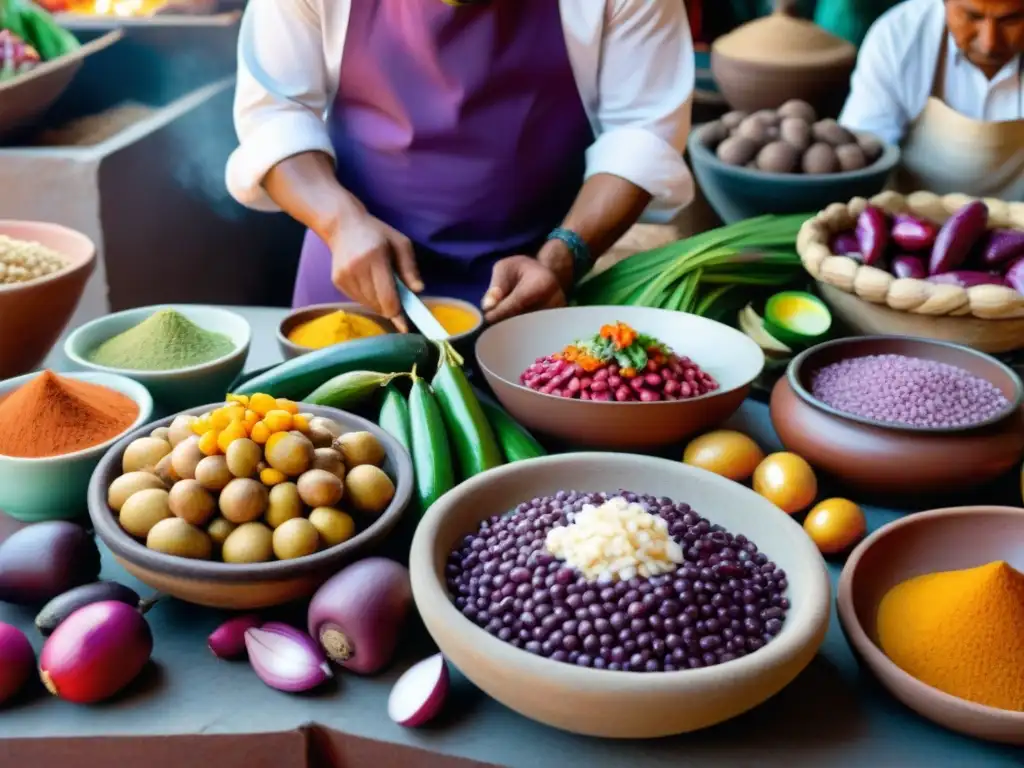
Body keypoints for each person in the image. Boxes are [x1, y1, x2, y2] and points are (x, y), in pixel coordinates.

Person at [226, 0, 696, 330]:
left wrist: (561, 257)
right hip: (355, 272)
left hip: (532, 281)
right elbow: (276, 111)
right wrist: (339, 221)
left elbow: (641, 132)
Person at [838, 0, 1024, 199]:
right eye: (972, 17)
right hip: (911, 221)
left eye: (1010, 20)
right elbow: (865, 152)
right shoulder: (898, 37)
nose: (989, 43)